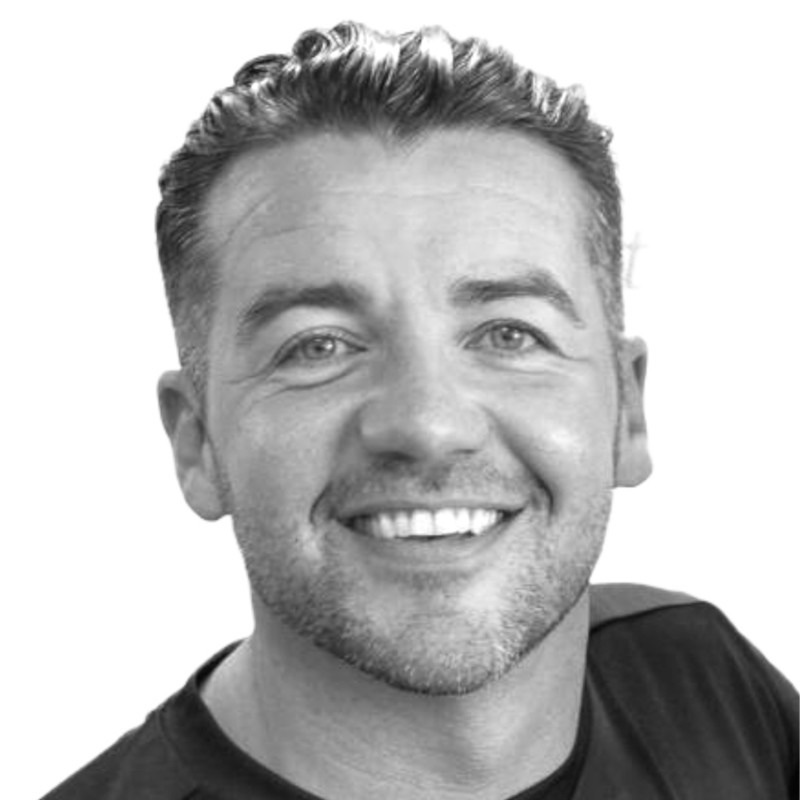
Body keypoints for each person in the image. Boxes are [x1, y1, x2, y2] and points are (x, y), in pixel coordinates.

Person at [42, 20, 798, 800]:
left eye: (509, 334)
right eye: (318, 346)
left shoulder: (701, 682)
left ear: (627, 412)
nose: (428, 425)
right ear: (196, 443)